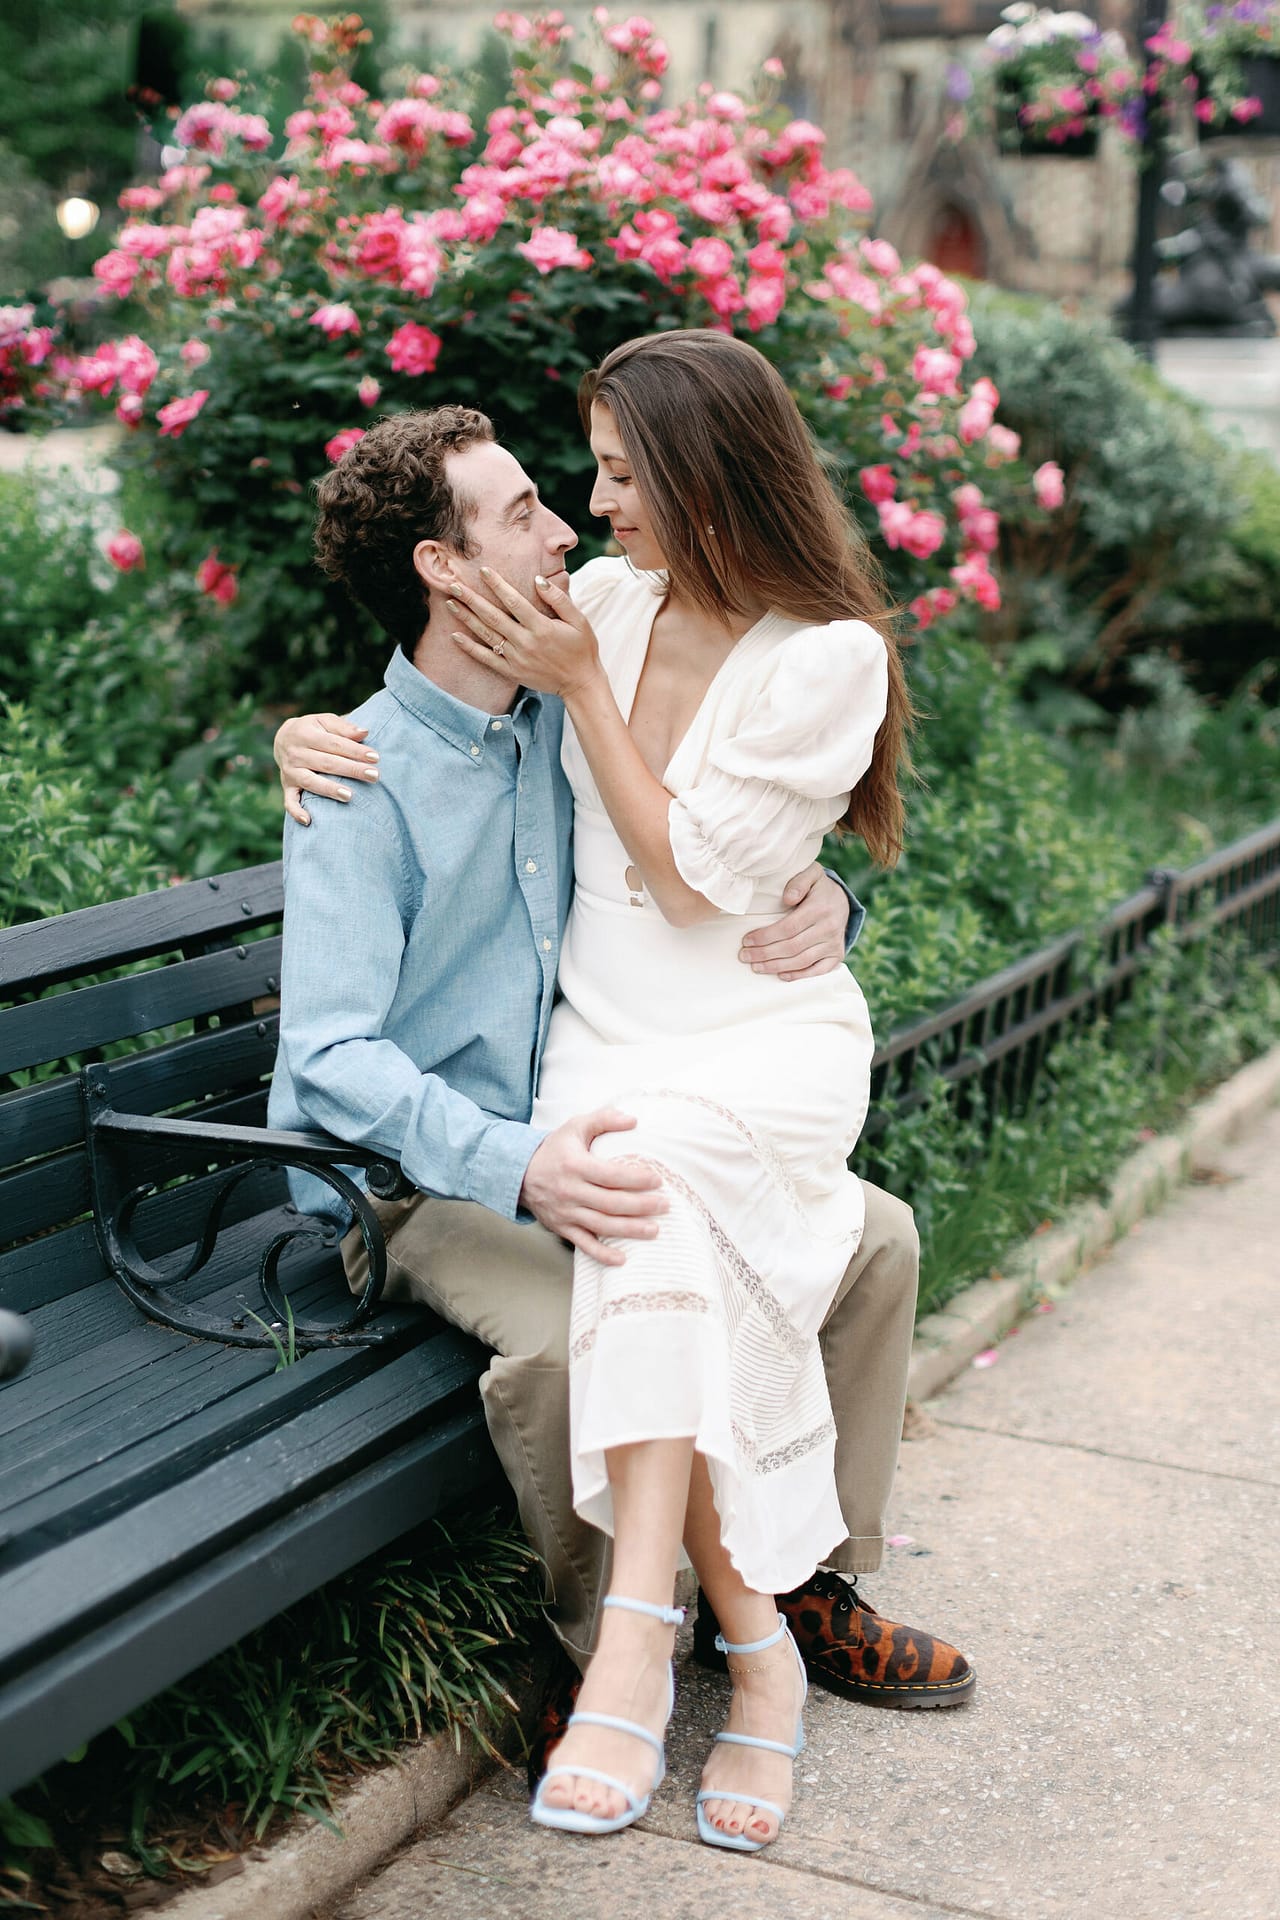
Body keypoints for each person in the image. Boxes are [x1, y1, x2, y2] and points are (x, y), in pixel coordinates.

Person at [272, 364, 973, 1845]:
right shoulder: (363, 774)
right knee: (596, 1313)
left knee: (879, 1234)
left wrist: (827, 899)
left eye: (579, 489)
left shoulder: (545, 699)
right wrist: (521, 1161)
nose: (571, 531)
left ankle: (800, 1588)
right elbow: (331, 1065)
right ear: (442, 567)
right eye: (529, 508)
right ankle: (620, 1649)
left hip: (605, 1101)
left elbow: (691, 840)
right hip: (411, 1183)